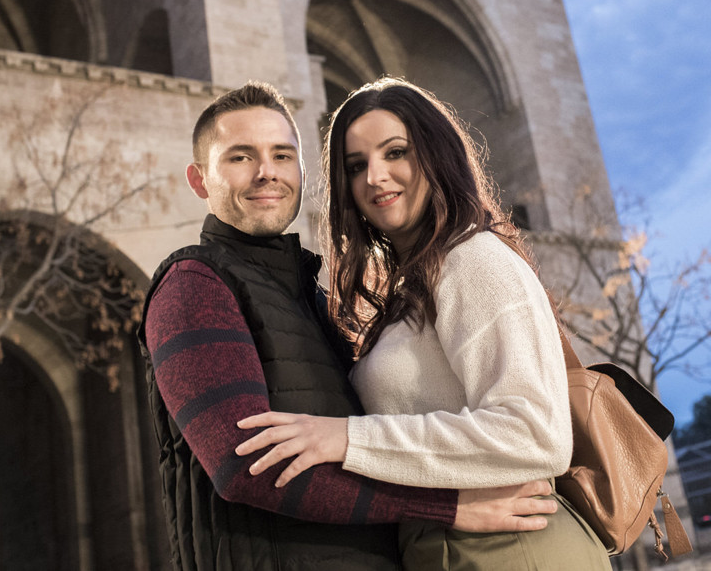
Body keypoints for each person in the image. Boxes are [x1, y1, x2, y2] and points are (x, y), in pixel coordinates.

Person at [138, 82, 558, 571]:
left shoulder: (311, 297)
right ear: (199, 180)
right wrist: (444, 506)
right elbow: (242, 467)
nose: (265, 172)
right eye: (239, 157)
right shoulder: (193, 284)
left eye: (281, 154)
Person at [236, 78, 611, 569]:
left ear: (436, 155)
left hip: (516, 549)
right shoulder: (413, 283)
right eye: (357, 166)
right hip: (452, 548)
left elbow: (536, 434)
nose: (376, 177)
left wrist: (347, 438)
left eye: (396, 152)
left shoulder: (472, 260)